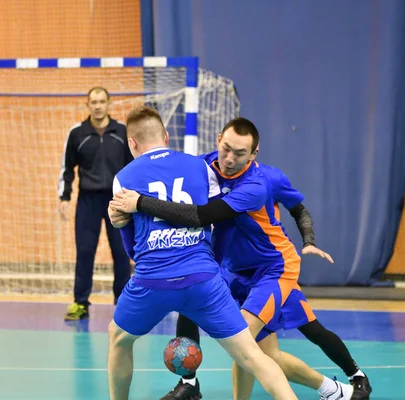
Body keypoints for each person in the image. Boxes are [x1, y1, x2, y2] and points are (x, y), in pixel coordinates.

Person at [111, 117, 357, 400]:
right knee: (206, 319)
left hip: (273, 267)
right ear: (218, 140)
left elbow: (203, 216)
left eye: (240, 153)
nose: (229, 158)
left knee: (270, 341)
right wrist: (121, 216)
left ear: (254, 154)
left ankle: (340, 385)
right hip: (233, 269)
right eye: (226, 148)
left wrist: (139, 202)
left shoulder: (259, 184)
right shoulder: (202, 166)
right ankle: (190, 384)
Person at [58, 86, 133, 320]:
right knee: (85, 251)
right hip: (87, 200)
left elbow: (133, 168)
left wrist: (135, 200)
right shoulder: (77, 134)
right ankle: (80, 303)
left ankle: (122, 302)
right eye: (94, 102)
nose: (98, 106)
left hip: (117, 200)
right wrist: (64, 197)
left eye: (102, 101)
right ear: (87, 105)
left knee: (121, 253)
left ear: (109, 103)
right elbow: (67, 168)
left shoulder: (122, 132)